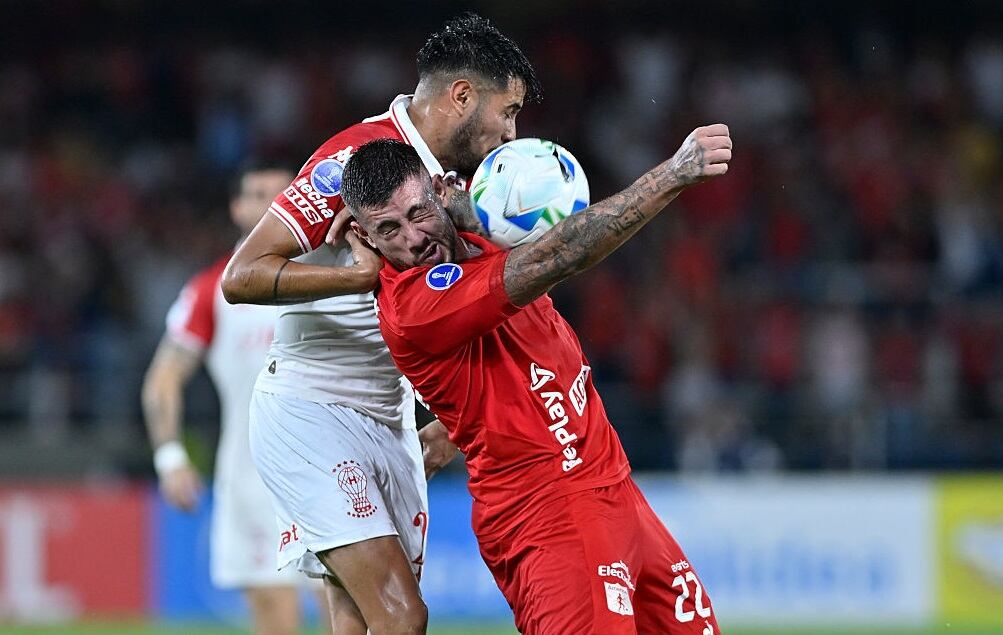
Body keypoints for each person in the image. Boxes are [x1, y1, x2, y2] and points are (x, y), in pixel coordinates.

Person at [220, 13, 541, 635]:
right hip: (311, 407)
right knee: (401, 617)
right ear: (463, 96)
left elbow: (467, 305)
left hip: (391, 417)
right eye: (509, 111)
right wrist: (354, 277)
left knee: (355, 619)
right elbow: (243, 275)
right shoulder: (353, 163)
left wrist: (450, 419)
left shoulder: (468, 182)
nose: (510, 131)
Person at [339, 131, 732, 635]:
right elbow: (557, 256)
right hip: (548, 515)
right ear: (367, 239)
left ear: (437, 192)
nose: (413, 239)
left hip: (617, 494)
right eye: (388, 230)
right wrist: (674, 173)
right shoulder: (415, 306)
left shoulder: (484, 226)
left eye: (417, 214)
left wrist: (462, 204)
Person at [142, 162, 329, 635]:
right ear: (237, 207)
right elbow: (163, 378)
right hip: (251, 480)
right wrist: (169, 457)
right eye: (257, 193)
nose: (269, 201)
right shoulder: (212, 290)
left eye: (280, 192)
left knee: (346, 615)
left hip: (331, 471)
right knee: (274, 621)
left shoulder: (335, 279)